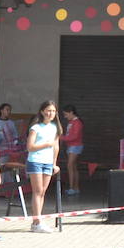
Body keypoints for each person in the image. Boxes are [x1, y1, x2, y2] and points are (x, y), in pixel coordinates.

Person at [25, 100, 61, 233]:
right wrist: (46, 144)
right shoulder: (35, 127)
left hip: (48, 162)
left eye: (53, 111)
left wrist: (54, 163)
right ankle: (37, 221)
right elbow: (30, 147)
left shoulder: (55, 127)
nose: (50, 113)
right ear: (42, 111)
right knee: (37, 191)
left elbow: (56, 146)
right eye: (48, 110)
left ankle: (37, 221)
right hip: (35, 161)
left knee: (43, 192)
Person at [61, 105, 84, 197]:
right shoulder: (71, 122)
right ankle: (75, 188)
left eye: (66, 114)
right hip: (71, 146)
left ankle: (72, 188)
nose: (65, 116)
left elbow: (74, 136)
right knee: (73, 167)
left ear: (71, 112)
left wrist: (61, 138)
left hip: (75, 146)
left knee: (70, 166)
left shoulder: (77, 123)